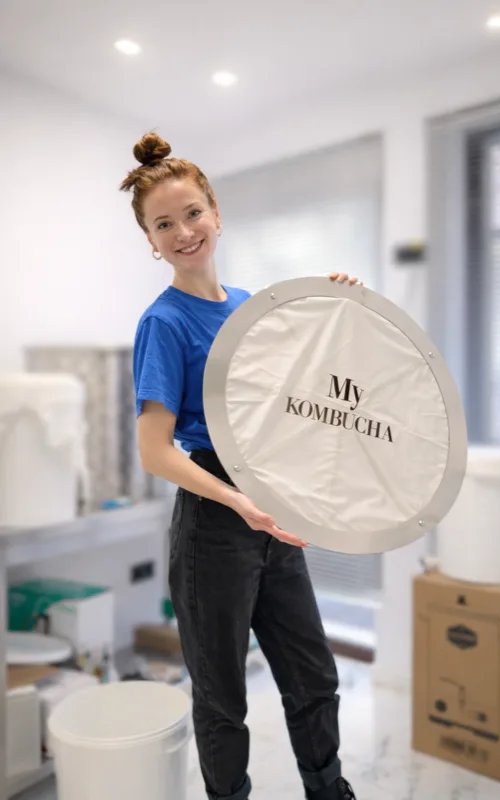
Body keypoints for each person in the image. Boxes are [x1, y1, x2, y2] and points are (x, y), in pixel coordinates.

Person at [121, 132, 360, 800]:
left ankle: (327, 790)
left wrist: (341, 304)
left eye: (191, 213)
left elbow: (304, 393)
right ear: (150, 241)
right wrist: (237, 502)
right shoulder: (163, 324)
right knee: (223, 700)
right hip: (214, 523)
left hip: (269, 506)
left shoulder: (252, 307)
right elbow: (154, 450)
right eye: (162, 224)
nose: (182, 231)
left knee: (313, 677)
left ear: (216, 213)